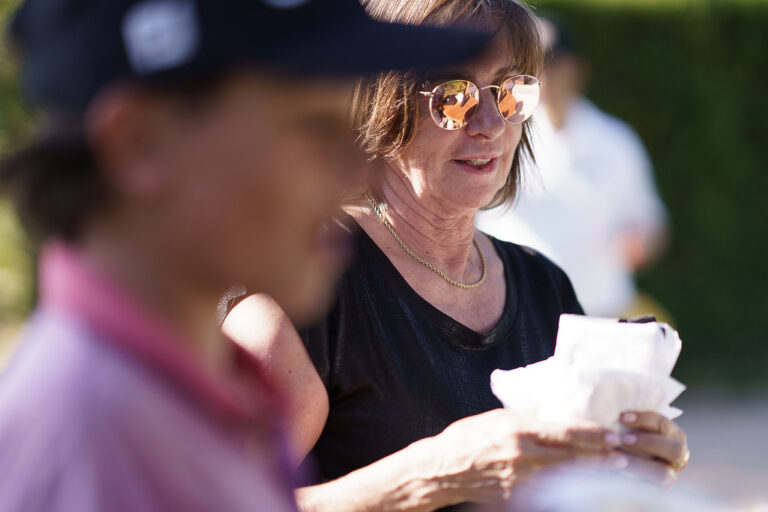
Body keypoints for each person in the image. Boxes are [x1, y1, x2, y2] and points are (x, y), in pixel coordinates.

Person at [0, 0, 490, 510]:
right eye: (317, 128)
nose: (357, 170)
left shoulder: (171, 394)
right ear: (140, 144)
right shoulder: (90, 440)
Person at [223, 1, 690, 510]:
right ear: (381, 102)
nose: (490, 123)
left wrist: (626, 467)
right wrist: (432, 475)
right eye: (454, 96)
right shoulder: (306, 289)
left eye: (512, 91)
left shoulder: (543, 285)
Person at [477, 17, 669, 317]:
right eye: (527, 65)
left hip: (600, 311)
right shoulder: (499, 132)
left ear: (576, 69)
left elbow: (650, 220)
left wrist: (641, 241)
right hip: (516, 310)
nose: (539, 74)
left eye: (550, 61)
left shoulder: (616, 141)